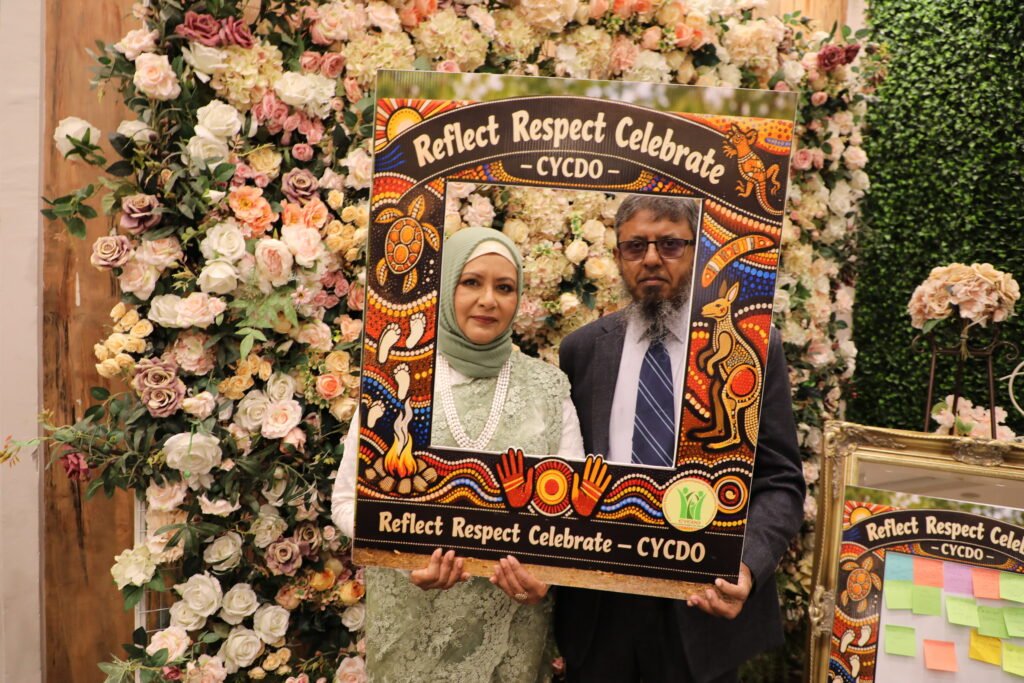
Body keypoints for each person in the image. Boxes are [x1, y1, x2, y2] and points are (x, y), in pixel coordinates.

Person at [555, 195, 805, 683]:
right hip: (600, 612)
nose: (651, 258)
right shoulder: (581, 350)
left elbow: (780, 481)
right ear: (619, 256)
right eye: (636, 246)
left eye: (670, 244)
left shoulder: (748, 348)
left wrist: (746, 566)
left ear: (698, 251)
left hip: (702, 608)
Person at [331, 227, 584, 683]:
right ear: (446, 288)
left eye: (504, 287)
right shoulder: (397, 379)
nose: (488, 300)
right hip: (412, 628)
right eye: (471, 282)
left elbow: (570, 513)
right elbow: (348, 501)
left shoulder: (548, 389)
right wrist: (406, 554)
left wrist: (545, 578)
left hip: (510, 631)